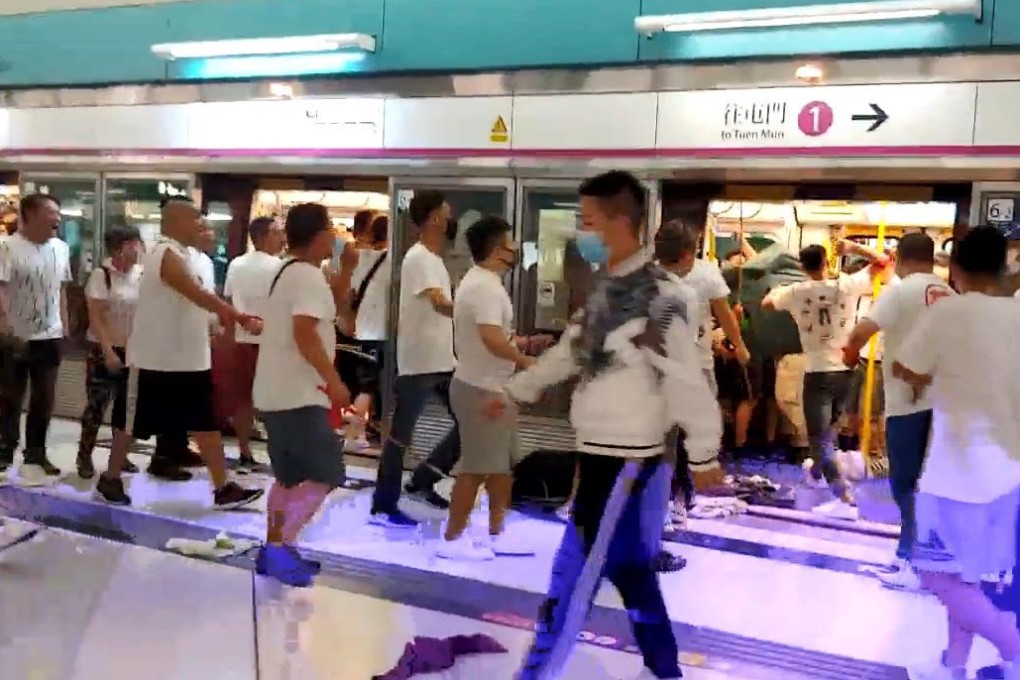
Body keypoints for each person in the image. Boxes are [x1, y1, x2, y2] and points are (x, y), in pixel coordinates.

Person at [485, 171, 721, 680]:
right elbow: (570, 352)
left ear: (619, 222)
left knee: (574, 576)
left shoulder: (663, 297)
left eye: (587, 222)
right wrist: (515, 392)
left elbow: (685, 377)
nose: (581, 232)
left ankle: (537, 673)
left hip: (626, 460)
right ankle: (666, 668)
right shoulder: (607, 291)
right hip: (601, 454)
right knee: (630, 570)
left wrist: (704, 452)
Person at [894, 226, 1020, 680]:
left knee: (934, 573)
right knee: (967, 576)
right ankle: (953, 664)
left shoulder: (949, 313)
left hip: (955, 473)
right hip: (1007, 471)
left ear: (957, 268)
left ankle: (1012, 644)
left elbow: (906, 366)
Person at [106, 199, 264, 509]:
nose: (201, 227)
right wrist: (239, 317)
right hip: (154, 360)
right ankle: (110, 478)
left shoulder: (188, 257)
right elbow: (196, 294)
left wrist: (214, 328)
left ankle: (223, 489)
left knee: (205, 424)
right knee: (130, 425)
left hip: (190, 360)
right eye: (195, 220)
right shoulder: (164, 252)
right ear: (175, 221)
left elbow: (195, 302)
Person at [844, 233, 953, 591]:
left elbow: (863, 330)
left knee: (905, 484)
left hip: (907, 403)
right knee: (931, 483)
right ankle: (926, 555)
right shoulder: (950, 294)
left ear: (901, 257)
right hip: (946, 404)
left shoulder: (901, 291)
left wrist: (849, 352)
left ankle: (911, 559)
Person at [253, 203, 351, 587]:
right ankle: (280, 548)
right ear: (320, 233)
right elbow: (305, 333)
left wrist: (349, 265)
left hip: (278, 392)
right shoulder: (306, 276)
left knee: (289, 479)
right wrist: (334, 381)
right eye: (332, 229)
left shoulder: (289, 272)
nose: (336, 237)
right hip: (299, 395)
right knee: (325, 473)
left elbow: (336, 306)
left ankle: (276, 548)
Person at [762, 240, 883, 520]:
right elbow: (883, 263)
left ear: (802, 267)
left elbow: (767, 303)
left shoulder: (795, 291)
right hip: (846, 371)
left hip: (818, 372)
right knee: (829, 433)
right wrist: (854, 248)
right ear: (827, 263)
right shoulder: (847, 286)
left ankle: (844, 498)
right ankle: (817, 474)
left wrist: (780, 290)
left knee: (819, 438)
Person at [437, 215, 535, 561]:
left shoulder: (483, 282)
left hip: (493, 386)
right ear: (498, 249)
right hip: (482, 390)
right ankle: (451, 538)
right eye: (510, 243)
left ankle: (497, 531)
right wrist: (526, 363)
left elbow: (494, 337)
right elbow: (491, 339)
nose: (515, 250)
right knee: (476, 467)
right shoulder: (484, 286)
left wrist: (521, 344)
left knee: (502, 465)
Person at [371, 191, 459, 528]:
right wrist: (472, 307)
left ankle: (422, 481)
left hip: (442, 359)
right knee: (399, 436)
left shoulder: (435, 259)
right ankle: (384, 503)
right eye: (446, 211)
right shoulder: (419, 257)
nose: (450, 216)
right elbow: (438, 303)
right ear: (434, 217)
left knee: (468, 423)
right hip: (418, 362)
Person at [0, 193, 71, 481]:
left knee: (45, 398)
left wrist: (65, 325)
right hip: (14, 336)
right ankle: (4, 453)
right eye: (50, 212)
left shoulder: (61, 248)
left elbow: (61, 289)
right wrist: (5, 325)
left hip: (50, 335)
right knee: (9, 398)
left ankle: (36, 454)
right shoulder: (7, 247)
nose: (56, 218)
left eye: (57, 212)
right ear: (28, 215)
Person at [75, 225, 144, 481]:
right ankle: (84, 455)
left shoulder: (141, 275)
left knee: (127, 408)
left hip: (133, 350)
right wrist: (108, 351)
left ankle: (119, 454)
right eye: (134, 243)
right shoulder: (102, 275)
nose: (139, 249)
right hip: (103, 349)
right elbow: (96, 317)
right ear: (120, 247)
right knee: (96, 406)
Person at [222, 216, 285, 468]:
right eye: (277, 233)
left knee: (242, 398)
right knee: (275, 399)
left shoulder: (236, 264)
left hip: (240, 339)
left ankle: (245, 450)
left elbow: (227, 301)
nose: (282, 238)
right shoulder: (280, 267)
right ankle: (278, 452)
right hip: (271, 341)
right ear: (261, 237)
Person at [342, 214, 390, 451]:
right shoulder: (392, 260)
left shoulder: (360, 258)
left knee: (366, 384)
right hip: (381, 331)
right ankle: (354, 434)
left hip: (362, 330)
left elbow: (349, 294)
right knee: (370, 387)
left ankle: (363, 432)